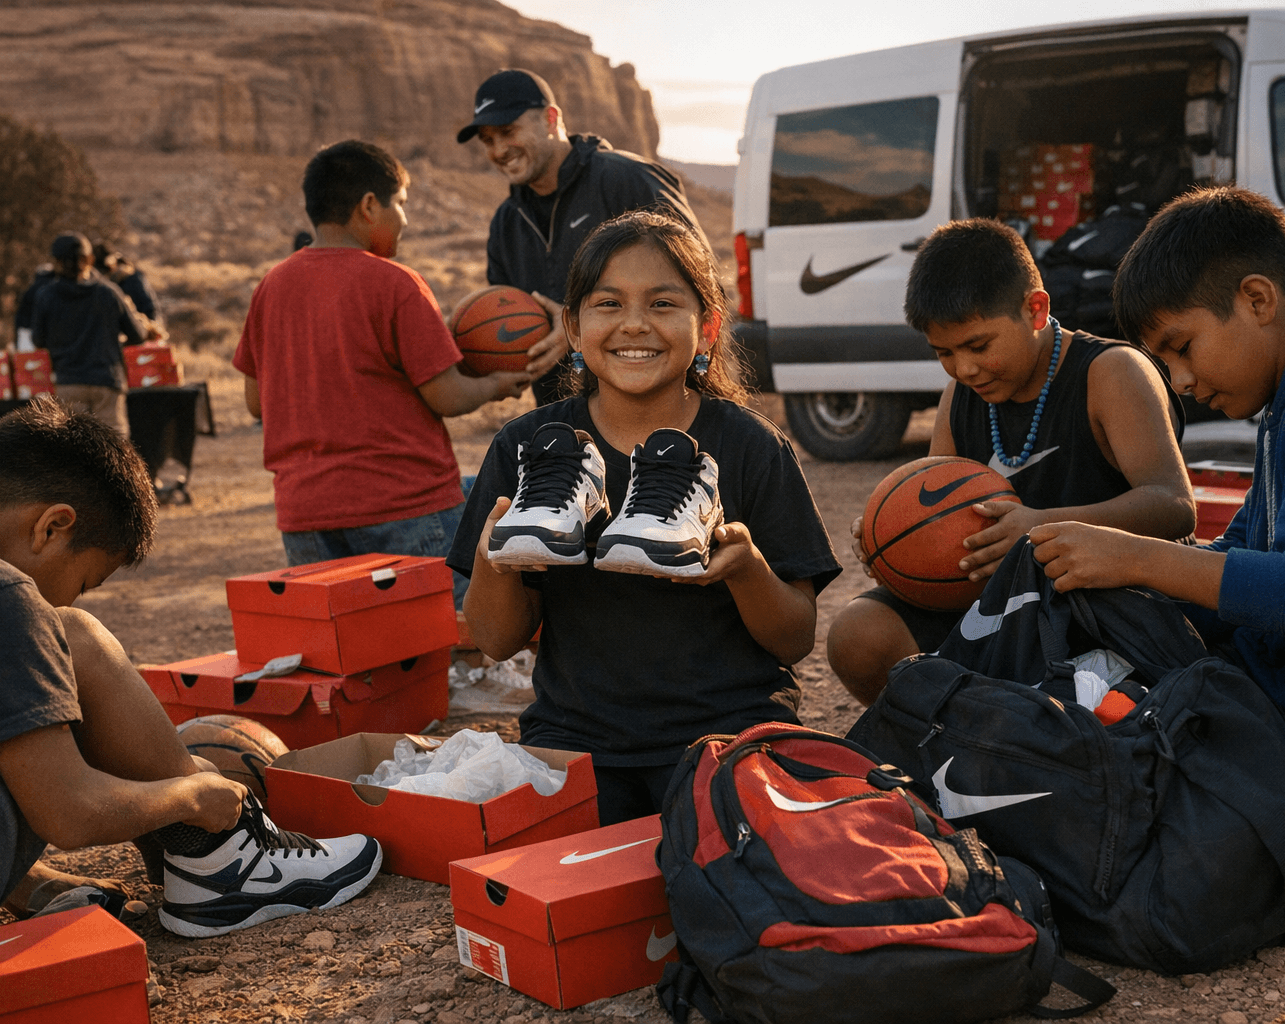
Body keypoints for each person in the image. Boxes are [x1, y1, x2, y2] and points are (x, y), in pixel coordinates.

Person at [0, 398, 382, 954]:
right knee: (72, 638)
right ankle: (223, 863)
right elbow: (69, 814)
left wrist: (27, 884)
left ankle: (182, 863)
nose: (69, 595)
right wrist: (190, 795)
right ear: (53, 527)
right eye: (84, 580)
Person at [1029, 186, 1285, 877]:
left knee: (1093, 816)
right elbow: (1248, 554)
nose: (1180, 381)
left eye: (1181, 347)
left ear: (1257, 299)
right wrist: (1128, 582)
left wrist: (1143, 560)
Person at [448, 211, 841, 825]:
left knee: (723, 888)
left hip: (729, 733)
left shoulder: (750, 447)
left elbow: (794, 638)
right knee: (580, 896)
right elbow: (497, 642)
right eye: (609, 303)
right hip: (577, 736)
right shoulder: (526, 447)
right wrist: (494, 557)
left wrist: (747, 571)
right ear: (573, 330)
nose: (635, 324)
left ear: (706, 327)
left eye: (663, 303)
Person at [826, 219, 1196, 705]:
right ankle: (947, 748)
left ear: (1036, 309)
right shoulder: (961, 395)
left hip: (1105, 603)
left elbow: (1173, 507)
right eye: (944, 353)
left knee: (1085, 699)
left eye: (979, 345)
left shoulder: (1111, 373)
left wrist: (1039, 529)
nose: (964, 367)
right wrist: (893, 545)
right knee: (857, 635)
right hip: (1004, 601)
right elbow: (934, 511)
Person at [234, 140, 528, 605]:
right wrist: (496, 385)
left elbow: (255, 402)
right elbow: (446, 397)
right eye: (402, 204)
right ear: (370, 206)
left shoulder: (271, 286)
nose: (406, 220)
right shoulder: (395, 283)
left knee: (356, 654)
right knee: (448, 644)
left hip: (306, 512)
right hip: (406, 504)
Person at [458, 68, 707, 406]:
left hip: (655, 412)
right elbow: (504, 319)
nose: (499, 149)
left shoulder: (628, 179)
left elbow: (701, 286)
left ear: (550, 119)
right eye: (487, 140)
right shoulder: (507, 220)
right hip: (563, 423)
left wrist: (578, 329)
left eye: (507, 131)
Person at [32, 233, 144, 437]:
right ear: (90, 260)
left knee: (74, 447)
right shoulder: (109, 293)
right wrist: (113, 343)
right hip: (107, 381)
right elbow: (137, 334)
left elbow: (37, 340)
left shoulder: (46, 296)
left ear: (55, 263)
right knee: (114, 447)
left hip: (69, 382)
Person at [94, 240, 164, 335]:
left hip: (138, 330)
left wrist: (149, 327)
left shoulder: (132, 278)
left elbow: (150, 309)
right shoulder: (99, 284)